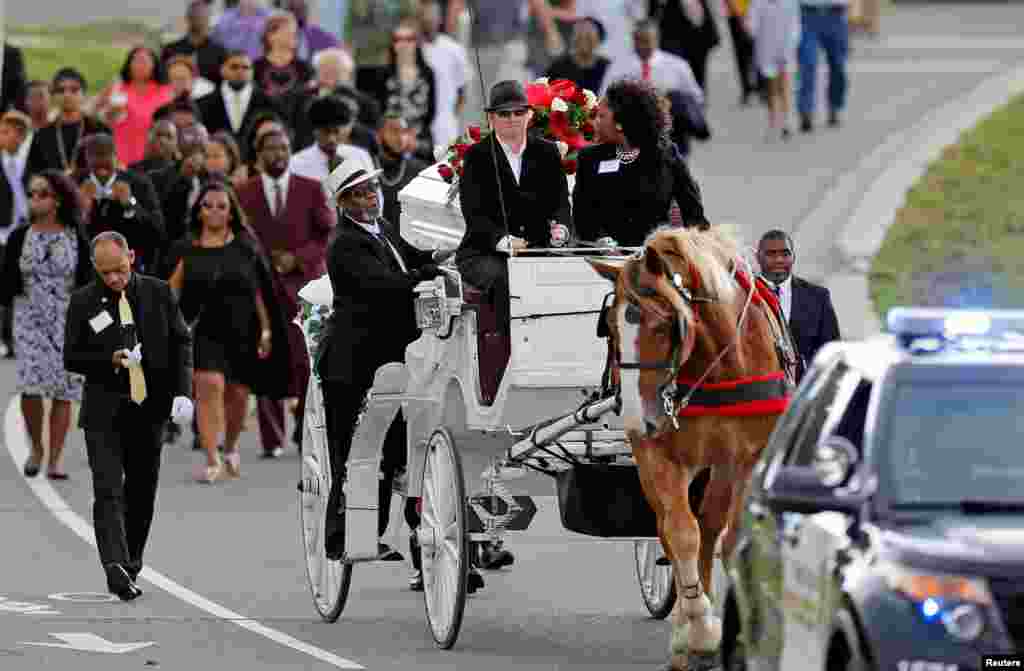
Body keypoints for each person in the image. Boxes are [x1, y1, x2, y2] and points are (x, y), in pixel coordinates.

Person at [317, 160, 444, 566]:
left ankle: (372, 534)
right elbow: (383, 286)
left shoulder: (383, 230)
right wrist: (426, 275)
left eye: (372, 189)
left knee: (390, 450)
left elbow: (415, 254)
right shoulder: (345, 244)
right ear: (343, 204)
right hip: (351, 364)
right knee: (348, 450)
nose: (370, 197)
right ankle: (339, 539)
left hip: (386, 360)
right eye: (359, 194)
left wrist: (445, 255)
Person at [64, 230, 194, 600]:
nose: (114, 279)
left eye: (119, 270)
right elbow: (71, 357)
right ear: (95, 269)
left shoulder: (157, 292)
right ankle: (114, 566)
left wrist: (183, 392)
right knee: (107, 489)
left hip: (148, 408)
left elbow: (181, 341)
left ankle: (131, 562)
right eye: (105, 273)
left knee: (141, 491)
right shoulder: (84, 302)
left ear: (131, 257)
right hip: (103, 408)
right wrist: (109, 359)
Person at [165, 180, 292, 480]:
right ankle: (212, 459)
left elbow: (261, 293)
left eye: (221, 206)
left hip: (242, 330)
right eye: (207, 206)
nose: (213, 212)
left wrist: (265, 332)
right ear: (198, 211)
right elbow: (170, 291)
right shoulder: (186, 248)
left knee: (237, 394)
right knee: (208, 385)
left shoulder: (247, 248)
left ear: (231, 212)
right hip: (202, 331)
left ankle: (231, 446)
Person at [455, 80, 570, 400]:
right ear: (491, 118)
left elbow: (561, 202)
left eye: (519, 112)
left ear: (529, 116)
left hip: (536, 249)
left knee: (568, 277)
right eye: (504, 114)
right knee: (510, 280)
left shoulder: (547, 152)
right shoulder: (478, 157)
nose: (512, 119)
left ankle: (561, 357)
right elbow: (474, 214)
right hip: (484, 252)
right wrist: (502, 241)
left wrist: (561, 227)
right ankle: (513, 360)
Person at [237, 128, 335, 458]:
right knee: (266, 362)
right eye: (271, 149)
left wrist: (300, 257)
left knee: (308, 362)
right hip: (262, 290)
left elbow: (326, 236)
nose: (278, 154)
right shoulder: (243, 193)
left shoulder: (309, 190)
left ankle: (304, 428)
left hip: (305, 287)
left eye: (283, 148)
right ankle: (271, 438)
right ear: (259, 155)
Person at [0, 171, 92, 478]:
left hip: (67, 320)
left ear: (57, 200)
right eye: (31, 193)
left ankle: (54, 459)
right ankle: (36, 448)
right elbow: (6, 282)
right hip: (28, 319)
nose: (34, 199)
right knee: (30, 386)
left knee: (64, 390)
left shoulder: (76, 235)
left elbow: (88, 282)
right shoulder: (19, 236)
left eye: (42, 193)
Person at [573, 78, 707, 247]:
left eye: (601, 116)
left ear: (620, 122)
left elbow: (693, 212)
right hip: (604, 258)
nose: (595, 123)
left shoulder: (665, 154)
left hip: (655, 257)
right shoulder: (589, 158)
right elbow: (582, 215)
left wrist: (700, 246)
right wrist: (599, 240)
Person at [756, 229, 840, 381]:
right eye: (771, 254)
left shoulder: (818, 297)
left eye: (785, 254)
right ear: (758, 257)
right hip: (759, 394)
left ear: (793, 257)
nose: (779, 260)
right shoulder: (743, 295)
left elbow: (831, 351)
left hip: (803, 393)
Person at [77, 134, 165, 275]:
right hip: (85, 272)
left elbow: (157, 231)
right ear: (86, 157)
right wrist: (81, 209)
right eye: (95, 155)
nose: (101, 161)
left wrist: (130, 203)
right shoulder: (74, 184)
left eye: (106, 154)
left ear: (116, 156)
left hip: (128, 270)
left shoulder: (139, 183)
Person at [357, 21, 437, 163]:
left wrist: (412, 137)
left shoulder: (427, 73)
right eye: (398, 39)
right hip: (389, 140)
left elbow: (431, 112)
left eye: (409, 39)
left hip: (419, 140)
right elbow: (379, 110)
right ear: (393, 44)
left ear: (416, 43)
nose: (404, 44)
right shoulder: (383, 75)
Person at [95, 46, 175, 167]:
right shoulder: (117, 88)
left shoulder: (165, 91)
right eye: (136, 60)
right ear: (129, 64)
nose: (140, 65)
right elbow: (95, 113)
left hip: (152, 153)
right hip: (121, 152)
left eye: (144, 61)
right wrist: (108, 113)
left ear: (154, 65)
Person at [26, 69, 111, 176]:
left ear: (84, 95)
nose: (67, 95)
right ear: (53, 96)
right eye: (61, 90)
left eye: (74, 90)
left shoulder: (100, 130)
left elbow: (112, 170)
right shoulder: (42, 135)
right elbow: (33, 174)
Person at [418, 0, 469, 152]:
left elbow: (462, 91)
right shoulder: (414, 48)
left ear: (439, 19)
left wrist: (450, 117)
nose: (428, 21)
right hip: (419, 130)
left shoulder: (454, 50)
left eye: (432, 17)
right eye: (425, 17)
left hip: (446, 128)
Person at [748, 0, 801, 140]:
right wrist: (751, 29)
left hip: (786, 47)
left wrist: (791, 45)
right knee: (771, 88)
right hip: (767, 49)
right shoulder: (759, 3)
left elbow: (795, 25)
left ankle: (786, 121)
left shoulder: (790, 3)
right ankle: (773, 121)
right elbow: (752, 25)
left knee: (785, 84)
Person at [796, 0, 849, 132]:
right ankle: (806, 112)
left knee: (838, 65)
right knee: (808, 63)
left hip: (835, 14)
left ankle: (834, 106)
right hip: (807, 14)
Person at [377, 112, 428, 230]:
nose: (400, 137)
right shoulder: (368, 165)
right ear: (379, 136)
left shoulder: (420, 170)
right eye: (394, 131)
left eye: (404, 132)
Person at [161, 0, 228, 84]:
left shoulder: (220, 52)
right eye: (196, 15)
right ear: (188, 18)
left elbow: (225, 82)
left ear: (208, 19)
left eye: (204, 16)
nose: (200, 19)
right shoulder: (170, 50)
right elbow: (163, 80)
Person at [545, 16, 612, 95]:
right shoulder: (557, 67)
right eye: (579, 36)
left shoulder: (608, 68)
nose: (583, 42)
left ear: (599, 40)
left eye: (588, 37)